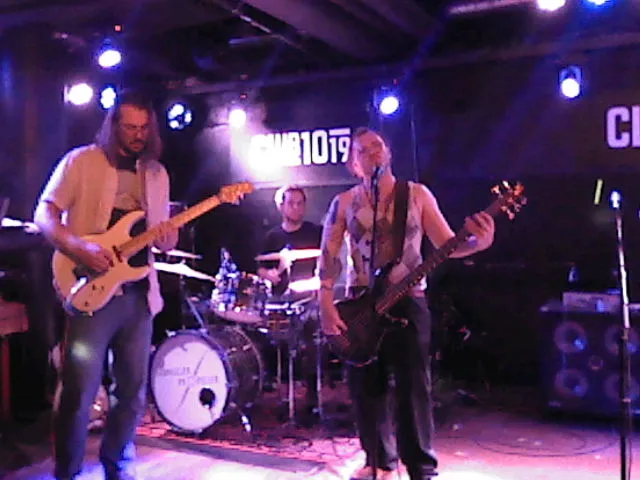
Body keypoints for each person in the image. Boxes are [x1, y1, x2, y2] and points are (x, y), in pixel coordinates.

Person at [318, 127, 495, 480]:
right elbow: (329, 257)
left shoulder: (416, 195)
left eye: (377, 146)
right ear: (353, 164)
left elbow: (448, 244)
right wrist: (325, 304)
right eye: (362, 150)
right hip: (362, 302)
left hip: (409, 300)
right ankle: (378, 461)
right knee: (366, 385)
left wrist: (479, 243)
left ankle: (420, 468)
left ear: (388, 153)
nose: (372, 153)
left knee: (413, 386)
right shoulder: (344, 202)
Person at [34, 89, 178, 480]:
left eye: (144, 128)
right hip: (91, 291)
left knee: (131, 392)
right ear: (113, 126)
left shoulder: (157, 174)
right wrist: (77, 246)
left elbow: (161, 238)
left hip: (138, 295)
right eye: (130, 127)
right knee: (79, 392)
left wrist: (168, 238)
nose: (138, 135)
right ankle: (67, 472)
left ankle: (118, 467)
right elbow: (44, 213)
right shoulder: (81, 161)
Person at [256, 185, 323, 418]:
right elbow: (260, 267)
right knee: (274, 342)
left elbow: (330, 258)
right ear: (281, 207)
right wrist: (269, 274)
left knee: (311, 341)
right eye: (291, 203)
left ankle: (312, 397)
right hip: (279, 301)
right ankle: (282, 394)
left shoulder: (315, 232)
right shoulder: (272, 237)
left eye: (300, 203)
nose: (296, 208)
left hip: (309, 299)